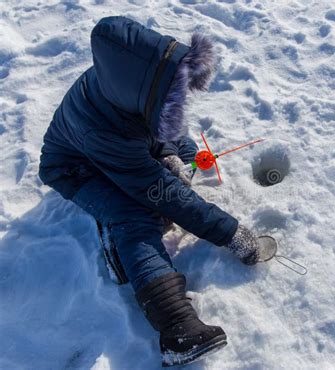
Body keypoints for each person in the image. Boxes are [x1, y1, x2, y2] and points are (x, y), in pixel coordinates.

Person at [38, 16, 260, 367]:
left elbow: (165, 128)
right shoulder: (106, 127)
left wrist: (171, 154)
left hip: (117, 150)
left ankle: (116, 234)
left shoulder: (125, 87)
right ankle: (176, 330)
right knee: (135, 214)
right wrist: (230, 232)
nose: (182, 99)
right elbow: (167, 195)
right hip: (77, 169)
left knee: (158, 182)